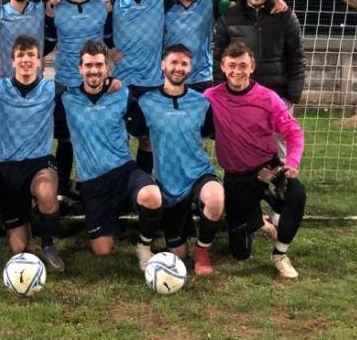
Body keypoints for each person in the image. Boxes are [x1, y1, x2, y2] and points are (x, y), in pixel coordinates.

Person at [204, 41, 307, 279]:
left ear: (252, 67)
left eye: (243, 65)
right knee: (239, 254)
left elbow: (293, 132)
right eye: (232, 65)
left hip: (267, 170)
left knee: (296, 194)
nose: (237, 71)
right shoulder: (211, 97)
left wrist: (292, 161)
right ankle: (258, 222)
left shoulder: (268, 98)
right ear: (223, 67)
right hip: (236, 179)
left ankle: (280, 254)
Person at [213, 0, 305, 228]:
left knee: (279, 154)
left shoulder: (285, 15)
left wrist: (292, 95)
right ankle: (247, 205)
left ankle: (279, 207)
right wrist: (223, 94)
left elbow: (297, 56)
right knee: (242, 153)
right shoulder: (230, 16)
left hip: (276, 95)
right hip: (239, 99)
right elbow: (218, 57)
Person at [61, 40, 163, 271]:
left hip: (124, 173)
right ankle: (113, 219)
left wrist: (143, 174)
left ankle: (144, 247)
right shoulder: (67, 99)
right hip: (93, 184)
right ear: (80, 68)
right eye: (89, 65)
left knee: (151, 196)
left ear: (107, 68)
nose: (94, 70)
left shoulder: (122, 94)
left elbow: (143, 134)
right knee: (102, 250)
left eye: (99, 65)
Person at [128, 44, 224, 275]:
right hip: (168, 184)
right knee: (178, 254)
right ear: (163, 65)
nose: (178, 68)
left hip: (199, 174)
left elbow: (207, 134)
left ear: (190, 68)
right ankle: (176, 237)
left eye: (184, 63)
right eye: (174, 62)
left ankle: (203, 250)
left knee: (215, 197)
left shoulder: (201, 102)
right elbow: (137, 135)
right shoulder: (146, 102)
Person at [0, 36, 67, 272]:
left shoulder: (53, 89)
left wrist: (111, 82)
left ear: (40, 61)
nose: (26, 60)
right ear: (12, 61)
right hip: (7, 169)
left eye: (31, 55)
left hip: (39, 163)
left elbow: (87, 91)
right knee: (18, 248)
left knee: (46, 191)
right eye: (20, 55)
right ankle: (28, 218)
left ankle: (48, 244)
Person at [45, 0, 113, 196]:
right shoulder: (57, 9)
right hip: (65, 83)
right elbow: (48, 42)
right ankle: (63, 189)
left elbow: (110, 37)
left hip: (94, 83)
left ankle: (96, 187)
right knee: (65, 139)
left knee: (95, 135)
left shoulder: (103, 7)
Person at [166, 0, 287, 93]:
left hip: (201, 79)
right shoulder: (165, 5)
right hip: (171, 76)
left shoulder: (211, 4)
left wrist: (271, 0)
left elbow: (244, 6)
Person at [109, 0, 176, 176]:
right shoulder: (114, 4)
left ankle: (143, 181)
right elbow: (100, 28)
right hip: (123, 82)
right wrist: (109, 47)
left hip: (152, 82)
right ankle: (122, 183)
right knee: (120, 137)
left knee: (147, 139)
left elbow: (190, 1)